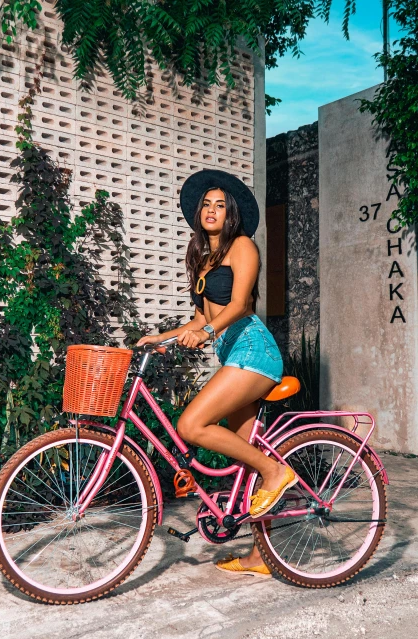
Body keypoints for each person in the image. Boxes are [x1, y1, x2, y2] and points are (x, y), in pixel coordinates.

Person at [136, 169, 297, 578]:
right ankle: (262, 556)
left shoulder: (242, 247)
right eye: (205, 204)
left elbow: (240, 305)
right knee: (249, 461)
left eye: (219, 205)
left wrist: (209, 330)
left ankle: (279, 472)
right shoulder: (203, 259)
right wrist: (160, 337)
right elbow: (197, 321)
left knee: (191, 424)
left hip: (253, 352)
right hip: (232, 355)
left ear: (231, 214)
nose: (211, 210)